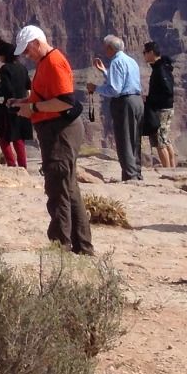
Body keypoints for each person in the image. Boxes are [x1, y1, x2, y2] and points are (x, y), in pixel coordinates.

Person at [11, 24, 92, 255]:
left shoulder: (54, 63)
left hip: (61, 132)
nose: (26, 56)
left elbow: (65, 101)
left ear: (37, 43)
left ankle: (60, 246)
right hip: (54, 130)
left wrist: (33, 107)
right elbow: (46, 96)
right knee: (68, 188)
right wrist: (23, 104)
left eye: (27, 50)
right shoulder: (44, 63)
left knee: (57, 188)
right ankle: (82, 246)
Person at [93, 35, 144, 182]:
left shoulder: (116, 62)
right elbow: (124, 80)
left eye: (105, 47)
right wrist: (104, 71)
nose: (104, 50)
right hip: (137, 101)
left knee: (125, 139)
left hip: (124, 103)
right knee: (135, 139)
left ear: (110, 48)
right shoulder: (131, 61)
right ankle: (137, 172)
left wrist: (96, 88)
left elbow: (115, 89)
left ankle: (130, 176)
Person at [0, 38, 33, 168]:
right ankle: (23, 167)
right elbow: (28, 85)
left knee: (2, 136)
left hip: (10, 107)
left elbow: (7, 88)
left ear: (5, 54)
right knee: (19, 138)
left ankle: (11, 164)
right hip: (23, 106)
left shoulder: (5, 69)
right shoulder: (22, 68)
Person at [141, 42, 176, 169]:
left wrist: (151, 99)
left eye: (144, 52)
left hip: (162, 110)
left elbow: (168, 90)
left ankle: (167, 171)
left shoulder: (160, 69)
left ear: (151, 53)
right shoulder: (162, 67)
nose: (143, 55)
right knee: (165, 139)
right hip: (166, 108)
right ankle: (172, 169)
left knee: (160, 141)